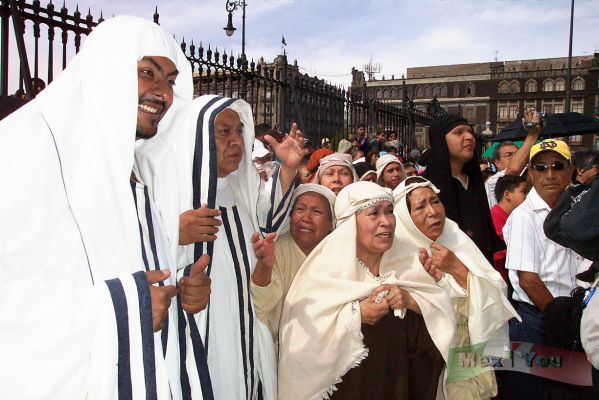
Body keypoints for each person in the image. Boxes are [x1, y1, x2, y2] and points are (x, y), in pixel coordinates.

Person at [0, 16, 196, 399]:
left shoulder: (130, 172)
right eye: (146, 73)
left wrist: (178, 289)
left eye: (170, 81)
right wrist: (122, 310)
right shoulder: (21, 148)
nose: (163, 93)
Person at [145, 95, 306, 399]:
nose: (236, 142)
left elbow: (267, 223)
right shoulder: (165, 194)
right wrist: (173, 234)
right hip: (203, 334)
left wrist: (286, 168)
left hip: (246, 329)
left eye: (239, 132)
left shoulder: (240, 187)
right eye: (224, 132)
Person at [278, 182, 456, 400]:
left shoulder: (409, 266)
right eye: (374, 213)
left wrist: (410, 300)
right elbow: (302, 342)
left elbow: (443, 318)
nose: (386, 221)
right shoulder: (323, 273)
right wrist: (355, 315)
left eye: (389, 212)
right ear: (350, 225)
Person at [393, 177, 519, 400]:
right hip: (420, 370)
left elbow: (496, 293)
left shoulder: (456, 239)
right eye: (420, 207)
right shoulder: (394, 256)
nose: (433, 212)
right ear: (404, 217)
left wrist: (458, 269)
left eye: (435, 201)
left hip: (463, 361)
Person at [503, 139, 586, 400]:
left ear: (570, 169)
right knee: (530, 393)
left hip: (572, 318)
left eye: (557, 165)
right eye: (541, 167)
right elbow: (528, 280)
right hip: (537, 320)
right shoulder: (523, 216)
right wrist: (560, 320)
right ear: (530, 173)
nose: (549, 174)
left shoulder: (579, 208)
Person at [250, 184, 336, 349]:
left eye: (316, 211)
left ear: (331, 224)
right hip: (281, 353)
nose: (306, 217)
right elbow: (259, 306)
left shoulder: (337, 254)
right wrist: (265, 267)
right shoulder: (276, 250)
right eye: (300, 209)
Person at [422, 114, 501, 264]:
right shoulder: (425, 187)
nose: (469, 137)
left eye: (469, 131)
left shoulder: (473, 182)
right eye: (458, 132)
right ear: (440, 140)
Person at [490, 175, 528, 284]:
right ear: (507, 194)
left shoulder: (514, 217)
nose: (526, 196)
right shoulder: (494, 217)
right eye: (523, 192)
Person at [484, 141, 518, 207]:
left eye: (517, 154)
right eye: (508, 155)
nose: (515, 157)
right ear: (497, 163)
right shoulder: (492, 182)